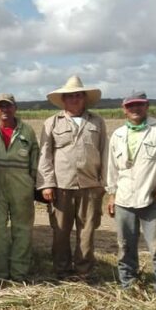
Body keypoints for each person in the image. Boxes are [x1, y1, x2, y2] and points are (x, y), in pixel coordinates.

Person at [106, 92, 156, 305]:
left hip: (152, 200)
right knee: (125, 247)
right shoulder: (118, 135)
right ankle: (128, 287)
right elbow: (112, 168)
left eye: (139, 105)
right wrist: (111, 195)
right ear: (124, 109)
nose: (135, 109)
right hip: (124, 199)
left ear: (147, 106)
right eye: (131, 106)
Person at [37, 76, 107, 279]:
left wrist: (104, 184)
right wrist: (47, 185)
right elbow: (45, 155)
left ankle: (84, 271)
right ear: (63, 100)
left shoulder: (97, 122)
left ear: (84, 98)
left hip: (90, 185)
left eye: (78, 95)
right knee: (60, 231)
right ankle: (62, 269)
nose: (74, 99)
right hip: (61, 186)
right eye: (70, 96)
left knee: (87, 231)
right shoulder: (52, 122)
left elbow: (104, 153)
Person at [0, 93, 39, 281]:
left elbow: (35, 161)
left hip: (21, 189)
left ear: (15, 108)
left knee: (22, 230)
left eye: (8, 106)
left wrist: (33, 184)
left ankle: (19, 273)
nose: (4, 110)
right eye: (0, 106)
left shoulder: (27, 131)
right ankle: (2, 273)